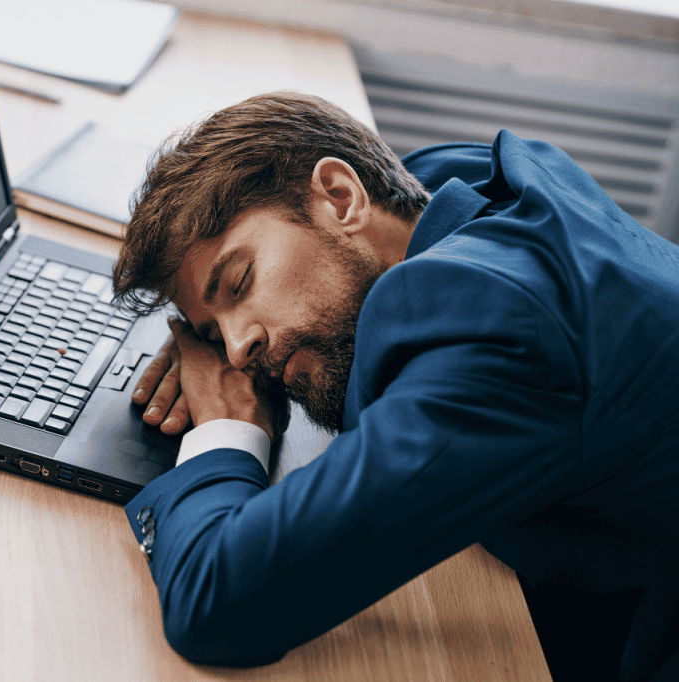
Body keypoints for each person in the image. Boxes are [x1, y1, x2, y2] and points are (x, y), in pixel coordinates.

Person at [110, 91, 679, 680]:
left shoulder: (499, 331)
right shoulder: (450, 191)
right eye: (210, 332)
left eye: (239, 281)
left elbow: (217, 604)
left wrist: (229, 427)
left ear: (341, 196)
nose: (234, 351)